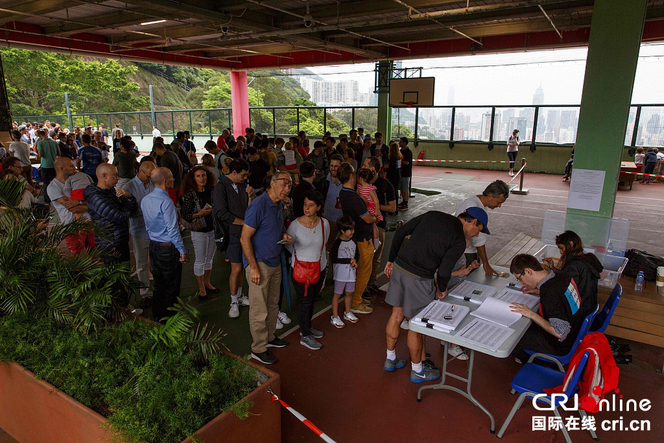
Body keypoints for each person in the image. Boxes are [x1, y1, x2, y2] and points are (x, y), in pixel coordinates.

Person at [383, 207, 489, 381]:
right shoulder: (458, 240)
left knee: (396, 315)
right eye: (479, 229)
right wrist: (441, 289)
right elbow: (444, 271)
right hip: (418, 278)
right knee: (416, 325)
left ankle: (390, 359)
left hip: (400, 268)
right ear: (472, 222)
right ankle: (418, 370)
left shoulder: (433, 215)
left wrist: (391, 259)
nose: (477, 234)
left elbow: (401, 231)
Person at [241, 172, 293, 365]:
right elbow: (244, 238)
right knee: (259, 308)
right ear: (272, 184)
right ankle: (258, 348)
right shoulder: (258, 205)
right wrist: (253, 267)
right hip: (260, 263)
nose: (287, 188)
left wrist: (284, 235)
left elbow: (273, 229)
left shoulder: (278, 204)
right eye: (284, 184)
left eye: (289, 185)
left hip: (275, 260)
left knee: (273, 303)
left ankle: (270, 337)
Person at [509, 253, 599, 364]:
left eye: (519, 278)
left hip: (560, 345)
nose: (522, 283)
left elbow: (560, 332)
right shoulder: (561, 275)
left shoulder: (549, 292)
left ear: (528, 271)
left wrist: (531, 314)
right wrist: (539, 291)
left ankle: (539, 363)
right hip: (575, 330)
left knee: (513, 336)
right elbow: (562, 296)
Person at [142, 167, 188, 322]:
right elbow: (172, 229)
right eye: (172, 178)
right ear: (165, 181)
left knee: (159, 285)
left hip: (154, 245)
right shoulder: (166, 202)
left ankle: (157, 317)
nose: (174, 180)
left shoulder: (145, 199)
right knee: (171, 287)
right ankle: (170, 320)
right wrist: (182, 250)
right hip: (168, 249)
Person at [286, 190, 330, 350]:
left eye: (311, 205)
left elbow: (323, 244)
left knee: (312, 299)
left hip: (319, 268)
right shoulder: (295, 225)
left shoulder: (324, 224)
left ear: (318, 207)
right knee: (304, 301)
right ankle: (305, 335)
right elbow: (289, 245)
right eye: (305, 204)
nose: (306, 208)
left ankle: (307, 327)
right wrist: (302, 258)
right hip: (301, 270)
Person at [213, 158, 252, 319]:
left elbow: (248, 209)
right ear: (234, 172)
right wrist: (244, 223)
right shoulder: (220, 188)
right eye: (243, 175)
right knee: (236, 269)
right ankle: (233, 301)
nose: (245, 178)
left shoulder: (243, 186)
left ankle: (240, 296)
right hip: (232, 234)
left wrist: (250, 196)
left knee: (242, 267)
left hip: (244, 233)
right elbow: (222, 213)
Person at [338, 163, 377, 315]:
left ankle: (357, 297)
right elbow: (367, 219)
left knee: (358, 270)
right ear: (352, 176)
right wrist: (375, 217)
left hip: (355, 237)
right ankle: (356, 302)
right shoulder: (354, 198)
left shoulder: (344, 193)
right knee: (363, 271)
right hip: (362, 238)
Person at [83, 163, 138, 264]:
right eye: (115, 175)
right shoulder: (96, 197)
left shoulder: (110, 191)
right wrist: (126, 206)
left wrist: (129, 197)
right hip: (109, 245)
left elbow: (132, 208)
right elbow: (120, 217)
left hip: (120, 241)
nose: (118, 178)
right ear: (104, 176)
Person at [455, 180, 509, 277]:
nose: (499, 206)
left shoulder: (477, 203)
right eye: (499, 202)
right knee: (466, 282)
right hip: (466, 254)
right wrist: (486, 264)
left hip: (470, 252)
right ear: (490, 196)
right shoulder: (473, 207)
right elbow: (478, 240)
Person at [180, 166, 218, 300]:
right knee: (200, 259)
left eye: (203, 175)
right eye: (198, 176)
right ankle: (201, 287)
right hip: (199, 231)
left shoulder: (212, 191)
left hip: (212, 229)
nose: (202, 178)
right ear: (193, 179)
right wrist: (199, 214)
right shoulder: (191, 194)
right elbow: (185, 215)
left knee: (209, 259)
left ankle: (207, 282)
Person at [122, 160, 156, 308]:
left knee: (157, 261)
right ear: (140, 171)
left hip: (155, 229)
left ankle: (158, 291)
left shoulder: (153, 184)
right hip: (139, 229)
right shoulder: (128, 187)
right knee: (141, 264)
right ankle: (145, 294)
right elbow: (128, 211)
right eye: (148, 176)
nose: (150, 179)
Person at [363, 156, 397, 293]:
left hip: (379, 226)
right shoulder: (361, 183)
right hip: (363, 225)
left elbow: (393, 208)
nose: (363, 168)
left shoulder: (385, 185)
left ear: (373, 169)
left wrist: (374, 207)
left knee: (375, 258)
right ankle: (362, 285)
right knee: (363, 258)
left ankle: (370, 283)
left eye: (365, 166)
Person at [47, 157, 94, 254]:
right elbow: (72, 208)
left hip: (88, 222)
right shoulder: (53, 187)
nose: (74, 168)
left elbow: (91, 201)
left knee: (95, 253)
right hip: (72, 226)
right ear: (61, 168)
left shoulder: (77, 181)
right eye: (71, 166)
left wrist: (80, 203)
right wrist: (91, 206)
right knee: (76, 256)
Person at [329, 215, 360, 329]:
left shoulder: (354, 241)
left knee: (349, 293)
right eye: (349, 230)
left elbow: (357, 254)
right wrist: (348, 260)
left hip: (351, 274)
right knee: (337, 294)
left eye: (353, 229)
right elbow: (334, 259)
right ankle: (335, 316)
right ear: (342, 230)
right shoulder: (337, 243)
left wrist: (355, 261)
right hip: (340, 274)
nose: (352, 232)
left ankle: (347, 312)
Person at [321, 154, 344, 251]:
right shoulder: (324, 183)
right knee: (329, 248)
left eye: (336, 166)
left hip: (343, 221)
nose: (333, 168)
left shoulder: (347, 182)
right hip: (328, 220)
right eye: (331, 166)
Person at [356, 167, 382, 250]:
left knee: (373, 225)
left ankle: (376, 242)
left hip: (370, 208)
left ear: (360, 178)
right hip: (364, 208)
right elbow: (357, 194)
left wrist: (377, 210)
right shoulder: (359, 187)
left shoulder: (370, 188)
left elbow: (376, 200)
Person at [153, 142, 183, 206]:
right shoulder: (173, 154)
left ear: (158, 149)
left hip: (171, 185)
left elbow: (164, 172)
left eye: (156, 151)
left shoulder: (164, 158)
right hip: (178, 181)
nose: (156, 154)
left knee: (171, 204)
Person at [36, 129, 60, 202]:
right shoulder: (54, 142)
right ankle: (56, 197)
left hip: (45, 165)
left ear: (40, 136)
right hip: (54, 165)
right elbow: (59, 153)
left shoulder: (40, 143)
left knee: (46, 183)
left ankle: (47, 200)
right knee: (55, 182)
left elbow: (40, 154)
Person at [398, 137, 413, 211]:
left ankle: (406, 203)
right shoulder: (400, 151)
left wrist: (399, 161)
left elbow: (407, 162)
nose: (399, 143)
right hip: (401, 172)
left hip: (406, 173)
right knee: (401, 188)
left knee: (405, 188)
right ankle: (403, 201)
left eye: (400, 142)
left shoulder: (408, 152)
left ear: (404, 143)